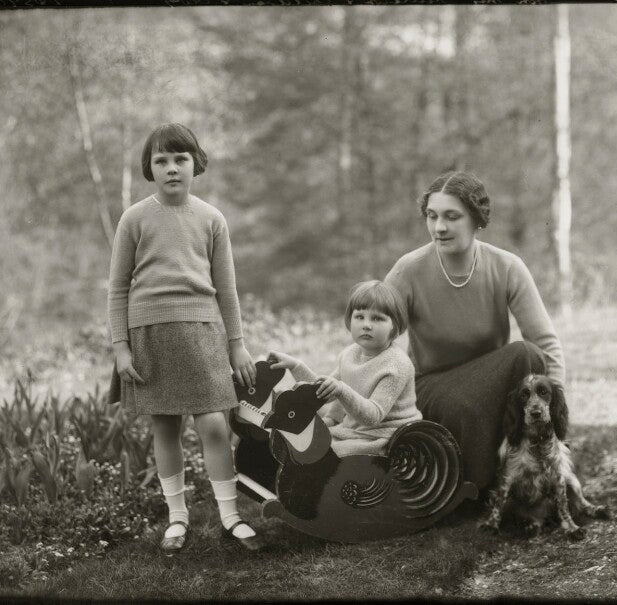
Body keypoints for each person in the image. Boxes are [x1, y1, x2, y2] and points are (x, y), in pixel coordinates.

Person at [107, 123, 263, 553]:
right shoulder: (134, 218)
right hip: (149, 333)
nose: (172, 168)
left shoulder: (212, 218)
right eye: (162, 161)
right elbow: (118, 287)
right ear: (149, 168)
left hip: (203, 331)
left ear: (196, 164)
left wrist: (237, 343)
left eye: (181, 159)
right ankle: (177, 518)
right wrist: (120, 347)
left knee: (214, 424)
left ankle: (230, 516)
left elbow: (226, 288)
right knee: (165, 425)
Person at [384, 170, 565, 494]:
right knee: (463, 405)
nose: (439, 227)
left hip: (493, 382)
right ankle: (476, 487)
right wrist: (345, 403)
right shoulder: (408, 270)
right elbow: (377, 348)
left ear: (476, 219)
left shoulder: (506, 266)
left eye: (452, 216)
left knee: (528, 355)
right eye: (432, 216)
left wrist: (557, 412)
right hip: (434, 390)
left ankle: (532, 470)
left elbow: (545, 343)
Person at [268, 280, 422, 457]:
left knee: (323, 454)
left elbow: (373, 416)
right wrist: (295, 366)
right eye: (360, 317)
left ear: (395, 325)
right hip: (353, 432)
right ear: (350, 320)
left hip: (386, 437)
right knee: (301, 442)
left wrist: (342, 389)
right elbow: (324, 394)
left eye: (377, 318)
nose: (366, 324)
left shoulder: (396, 365)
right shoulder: (350, 354)